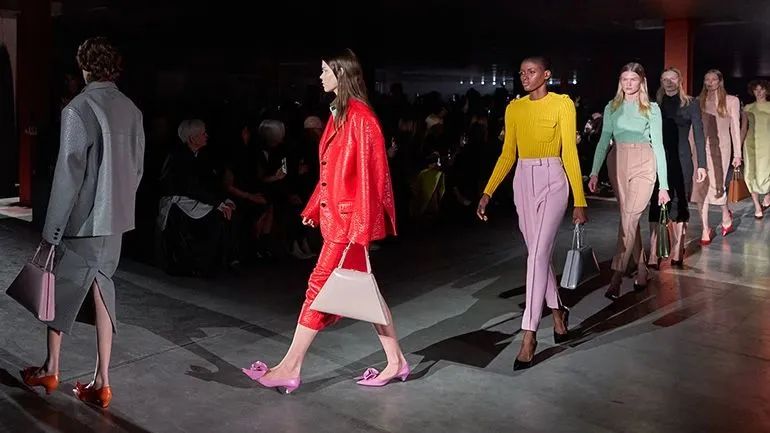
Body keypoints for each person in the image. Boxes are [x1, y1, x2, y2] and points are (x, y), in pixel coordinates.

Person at [242, 48, 405, 393]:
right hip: (341, 221)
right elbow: (333, 172)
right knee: (365, 292)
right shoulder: (341, 114)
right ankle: (396, 361)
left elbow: (372, 179)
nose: (320, 77)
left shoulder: (360, 118)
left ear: (341, 73)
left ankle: (290, 367)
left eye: (325, 71)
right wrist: (316, 206)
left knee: (319, 288)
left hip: (348, 226)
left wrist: (359, 232)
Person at [20, 37, 145, 408]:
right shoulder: (132, 110)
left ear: (84, 67)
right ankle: (102, 382)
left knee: (60, 291)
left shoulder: (78, 108)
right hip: (115, 220)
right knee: (103, 290)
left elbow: (68, 174)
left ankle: (51, 368)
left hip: (83, 221)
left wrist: (51, 230)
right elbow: (137, 169)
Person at [477, 56, 588, 370]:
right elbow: (507, 154)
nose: (525, 76)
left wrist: (580, 200)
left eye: (532, 71)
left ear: (546, 74)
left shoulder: (562, 104)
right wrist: (488, 191)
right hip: (523, 181)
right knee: (538, 255)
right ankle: (558, 314)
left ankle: (529, 335)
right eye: (522, 72)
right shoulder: (514, 108)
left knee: (537, 255)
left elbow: (570, 151)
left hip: (553, 179)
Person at [588, 62, 670, 300]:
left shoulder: (652, 109)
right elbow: (604, 140)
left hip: (644, 161)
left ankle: (616, 275)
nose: (628, 83)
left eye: (633, 79)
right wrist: (594, 172)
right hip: (617, 162)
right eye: (624, 79)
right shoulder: (612, 107)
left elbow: (659, 146)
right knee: (628, 218)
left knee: (630, 217)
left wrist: (663, 185)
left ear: (641, 81)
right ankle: (642, 269)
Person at [647, 67, 707, 268]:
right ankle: (653, 252)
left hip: (682, 159)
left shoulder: (691, 103)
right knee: (655, 203)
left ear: (680, 80)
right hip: (657, 158)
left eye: (673, 78)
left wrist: (702, 164)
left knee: (679, 202)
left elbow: (699, 135)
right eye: (665, 79)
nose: (669, 81)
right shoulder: (654, 105)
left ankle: (676, 249)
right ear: (661, 82)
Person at [691, 70, 742, 244]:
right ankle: (705, 229)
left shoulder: (731, 101)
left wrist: (738, 154)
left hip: (721, 148)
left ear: (720, 81)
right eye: (707, 79)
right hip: (701, 147)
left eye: (713, 79)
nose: (710, 82)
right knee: (700, 187)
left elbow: (735, 128)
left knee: (716, 186)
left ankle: (726, 215)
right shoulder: (699, 101)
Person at [740, 79, 770, 218]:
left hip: (767, 143)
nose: (759, 92)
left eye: (761, 89)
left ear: (767, 90)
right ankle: (757, 206)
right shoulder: (748, 107)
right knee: (750, 173)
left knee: (767, 172)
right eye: (756, 89)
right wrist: (737, 148)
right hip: (751, 144)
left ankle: (768, 195)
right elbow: (743, 128)